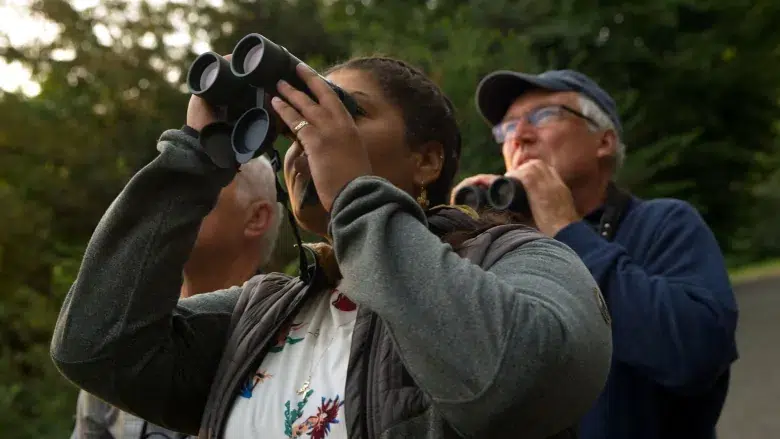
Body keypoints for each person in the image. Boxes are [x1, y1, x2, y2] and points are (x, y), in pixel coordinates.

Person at [51, 55, 613, 439]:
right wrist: (193, 161)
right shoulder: (261, 311)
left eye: (345, 110)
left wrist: (352, 194)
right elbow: (97, 348)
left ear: (427, 160)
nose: (307, 135)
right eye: (293, 120)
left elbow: (511, 382)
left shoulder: (514, 257)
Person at [452, 68, 739, 439]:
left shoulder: (664, 224)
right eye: (505, 129)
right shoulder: (507, 250)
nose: (518, 137)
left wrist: (566, 231)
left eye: (543, 116)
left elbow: (695, 355)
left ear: (603, 141)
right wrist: (462, 247)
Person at [70, 156, 283, 438]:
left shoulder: (289, 337)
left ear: (256, 218)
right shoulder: (121, 337)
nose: (170, 202)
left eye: (200, 186)